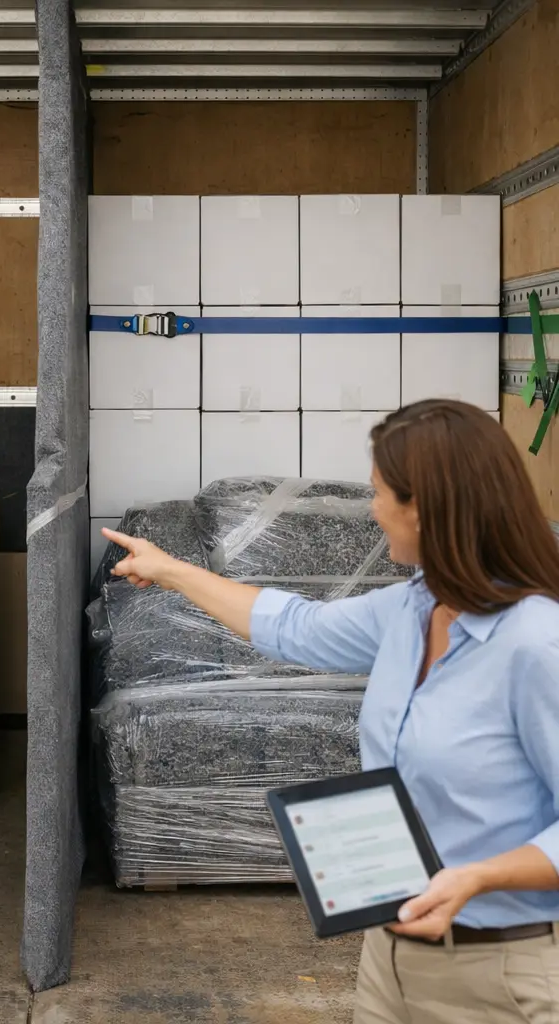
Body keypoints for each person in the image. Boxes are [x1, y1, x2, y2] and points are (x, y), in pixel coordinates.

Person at [102, 399, 559, 1024]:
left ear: (424, 507)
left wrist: (477, 877)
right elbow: (294, 626)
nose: (372, 510)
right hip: (390, 962)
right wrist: (169, 570)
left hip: (505, 976)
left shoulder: (537, 644)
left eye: (379, 494)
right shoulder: (412, 609)